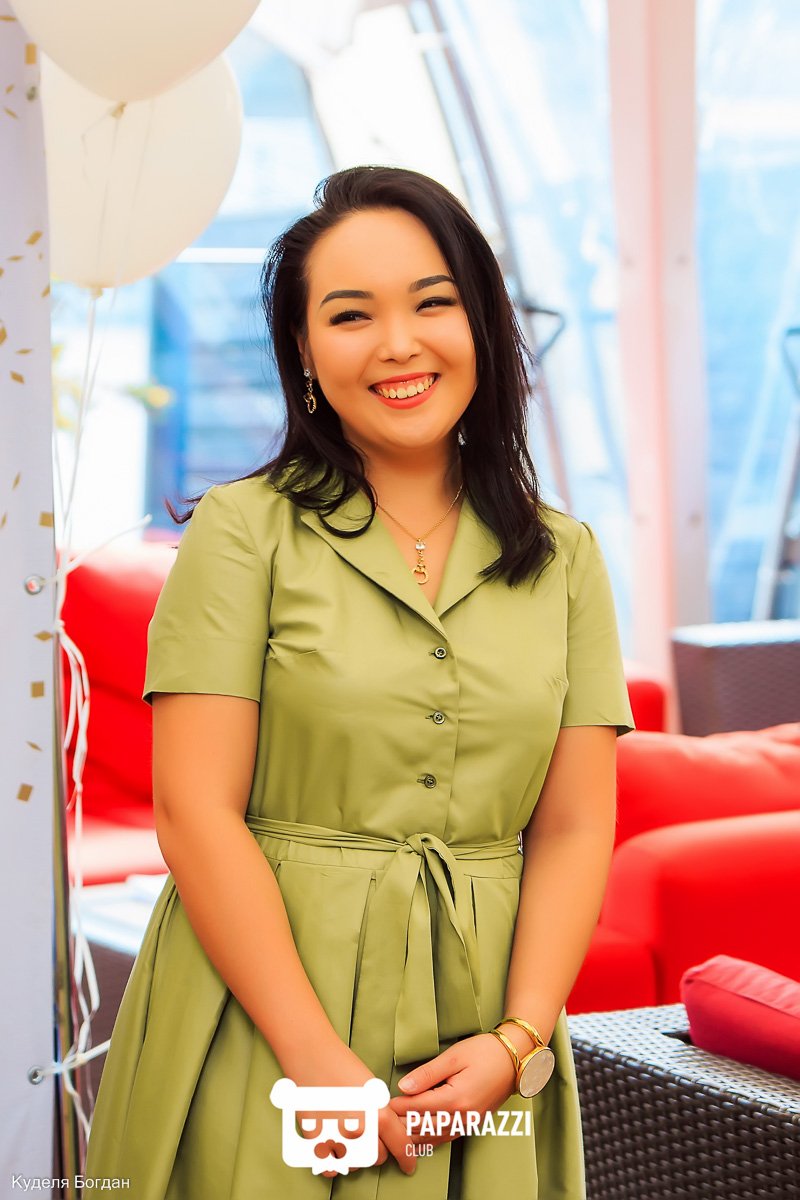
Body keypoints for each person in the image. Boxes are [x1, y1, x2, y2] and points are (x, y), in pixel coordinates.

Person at [83, 164, 635, 1198]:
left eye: (432, 303)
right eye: (349, 315)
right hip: (262, 1013)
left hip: (484, 1031)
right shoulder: (242, 533)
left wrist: (517, 1041)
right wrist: (320, 1064)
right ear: (303, 353)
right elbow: (194, 812)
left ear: (482, 323)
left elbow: (571, 827)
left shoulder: (567, 558)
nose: (397, 344)